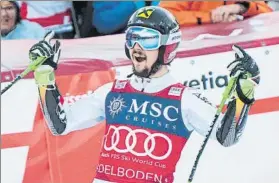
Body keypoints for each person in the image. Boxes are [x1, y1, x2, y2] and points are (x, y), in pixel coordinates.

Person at [28, 6, 260, 183]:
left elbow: (226, 137)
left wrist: (242, 96)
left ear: (167, 47)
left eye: (147, 39)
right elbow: (60, 123)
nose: (137, 47)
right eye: (133, 38)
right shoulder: (111, 91)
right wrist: (45, 76)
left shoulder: (184, 99)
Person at [159, 1, 272, 26]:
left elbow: (267, 12)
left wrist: (241, 7)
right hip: (196, 52)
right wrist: (210, 17)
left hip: (240, 47)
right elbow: (163, 15)